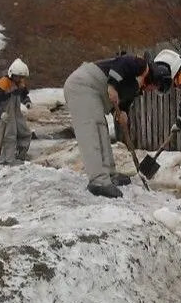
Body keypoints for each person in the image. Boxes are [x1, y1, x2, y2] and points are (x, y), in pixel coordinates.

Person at [63, 51, 168, 198]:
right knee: (91, 130)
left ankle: (110, 174)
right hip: (82, 86)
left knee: (102, 129)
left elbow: (123, 100)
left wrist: (121, 113)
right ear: (155, 80)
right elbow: (122, 63)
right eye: (155, 88)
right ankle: (98, 181)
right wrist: (112, 85)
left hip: (94, 92)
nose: (152, 91)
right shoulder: (141, 66)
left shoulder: (137, 86)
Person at [0, 57, 32, 165]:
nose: (20, 78)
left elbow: (23, 94)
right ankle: (7, 161)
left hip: (16, 111)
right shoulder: (3, 84)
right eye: (18, 76)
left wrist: (26, 101)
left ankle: (20, 156)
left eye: (21, 76)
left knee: (25, 133)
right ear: (12, 74)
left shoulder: (20, 83)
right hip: (4, 114)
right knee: (9, 137)